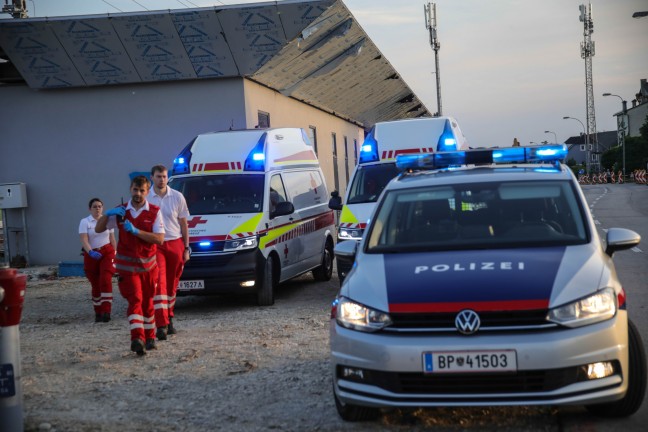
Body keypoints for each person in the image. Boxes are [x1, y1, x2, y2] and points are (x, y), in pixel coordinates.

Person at [96, 176, 164, 356]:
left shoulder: (155, 212)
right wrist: (108, 214)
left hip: (148, 267)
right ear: (130, 189)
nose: (138, 194)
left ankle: (150, 337)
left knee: (148, 303)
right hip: (127, 268)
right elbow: (99, 229)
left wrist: (136, 231)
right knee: (135, 300)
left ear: (148, 192)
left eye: (142, 191)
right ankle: (137, 338)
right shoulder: (121, 211)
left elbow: (160, 239)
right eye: (135, 190)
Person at [147, 165, 190, 341]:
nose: (162, 180)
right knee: (159, 284)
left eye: (164, 176)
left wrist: (186, 247)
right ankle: (161, 324)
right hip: (156, 244)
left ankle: (169, 317)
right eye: (158, 177)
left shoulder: (177, 196)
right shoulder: (146, 197)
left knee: (172, 285)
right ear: (152, 178)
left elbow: (184, 224)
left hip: (175, 243)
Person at [79, 198, 116, 323]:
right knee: (96, 285)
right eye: (95, 206)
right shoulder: (85, 222)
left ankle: (106, 311)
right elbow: (84, 240)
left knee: (105, 280)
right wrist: (90, 252)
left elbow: (112, 238)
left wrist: (116, 253)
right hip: (92, 254)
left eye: (100, 206)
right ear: (90, 209)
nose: (97, 209)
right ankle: (98, 312)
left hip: (107, 252)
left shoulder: (107, 220)